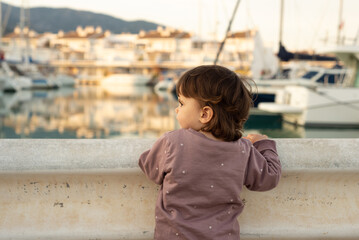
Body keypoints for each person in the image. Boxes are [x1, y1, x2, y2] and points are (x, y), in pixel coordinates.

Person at [138, 65, 281, 239]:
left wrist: (154, 151)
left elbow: (150, 168)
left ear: (205, 114)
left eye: (181, 103)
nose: (177, 109)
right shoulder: (243, 150)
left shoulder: (172, 142)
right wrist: (264, 144)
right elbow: (269, 177)